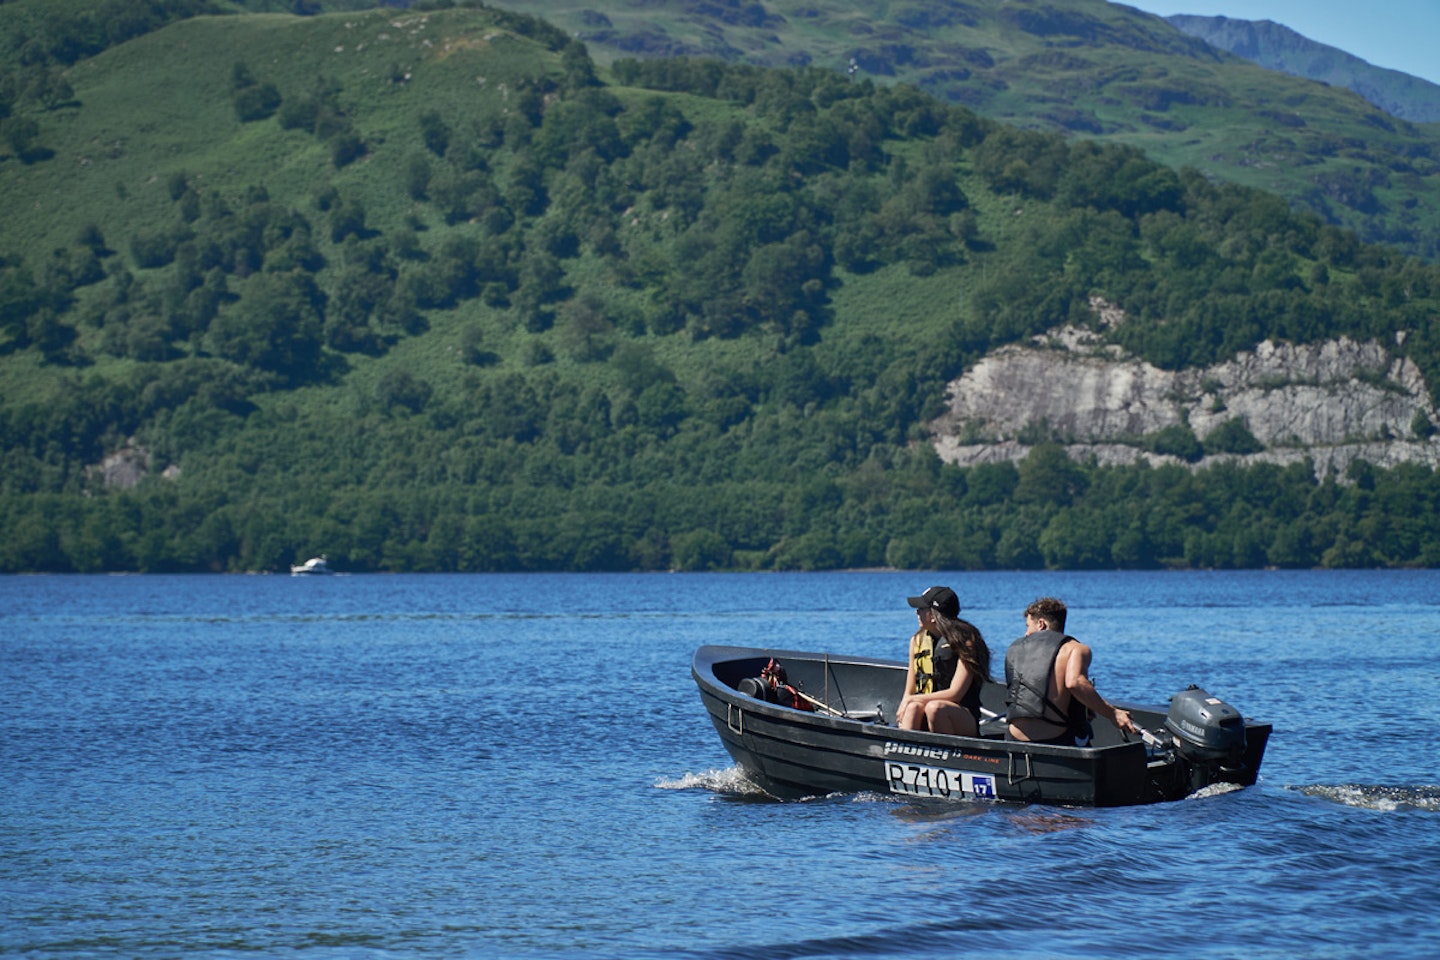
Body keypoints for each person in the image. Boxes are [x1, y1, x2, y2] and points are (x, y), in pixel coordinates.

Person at [1004, 597, 1136, 746]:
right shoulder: (1075, 649)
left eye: (1028, 626)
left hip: (1013, 737)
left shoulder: (1014, 648)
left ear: (1041, 624)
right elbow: (1075, 683)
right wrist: (1113, 713)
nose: (1026, 633)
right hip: (1054, 740)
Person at [897, 586, 993, 737]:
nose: (917, 612)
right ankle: (903, 752)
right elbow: (910, 690)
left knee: (935, 708)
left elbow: (955, 694)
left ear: (933, 615)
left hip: (961, 716)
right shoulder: (916, 641)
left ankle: (947, 756)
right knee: (913, 707)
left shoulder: (966, 641)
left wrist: (912, 699)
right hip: (924, 708)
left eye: (921, 608)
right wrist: (906, 703)